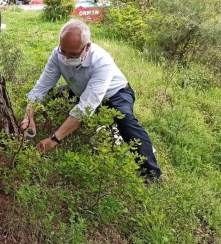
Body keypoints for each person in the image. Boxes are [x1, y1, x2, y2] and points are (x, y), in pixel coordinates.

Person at [19, 19, 162, 179]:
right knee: (53, 98)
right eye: (63, 51)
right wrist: (28, 115)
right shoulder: (57, 55)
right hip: (80, 90)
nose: (66, 58)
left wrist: (54, 139)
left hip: (115, 93)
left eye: (73, 54)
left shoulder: (102, 61)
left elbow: (86, 107)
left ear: (87, 47)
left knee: (126, 121)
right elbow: (41, 87)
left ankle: (151, 173)